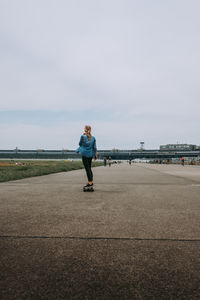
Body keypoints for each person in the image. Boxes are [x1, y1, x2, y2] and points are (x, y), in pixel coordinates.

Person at [76, 125, 97, 190]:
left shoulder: (82, 136)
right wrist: (95, 155)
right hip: (90, 154)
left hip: (84, 154)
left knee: (87, 169)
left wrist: (83, 135)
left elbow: (79, 144)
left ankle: (90, 183)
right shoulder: (93, 138)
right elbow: (95, 147)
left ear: (85, 129)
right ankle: (90, 182)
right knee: (89, 168)